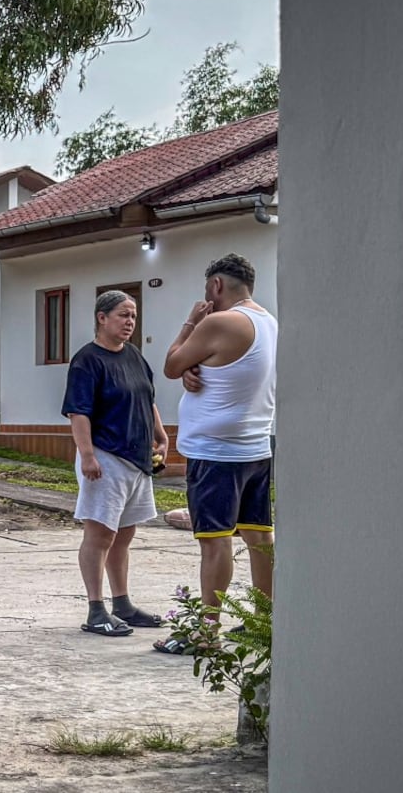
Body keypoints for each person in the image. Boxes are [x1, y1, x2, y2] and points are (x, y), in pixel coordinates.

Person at [157, 254, 277, 653]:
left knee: (215, 540)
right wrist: (200, 366)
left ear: (216, 287)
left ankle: (207, 631)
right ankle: (265, 621)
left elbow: (172, 364)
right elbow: (223, 366)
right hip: (256, 445)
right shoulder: (268, 323)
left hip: (216, 451)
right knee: (259, 535)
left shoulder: (217, 322)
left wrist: (191, 322)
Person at [62, 290, 169, 637]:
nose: (130, 322)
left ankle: (122, 603)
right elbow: (78, 412)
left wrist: (161, 435)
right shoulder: (86, 361)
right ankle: (96, 609)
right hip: (105, 457)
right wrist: (88, 455)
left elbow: (147, 397)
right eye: (123, 315)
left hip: (136, 460)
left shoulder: (135, 356)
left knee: (124, 534)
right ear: (102, 317)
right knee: (100, 534)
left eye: (134, 316)